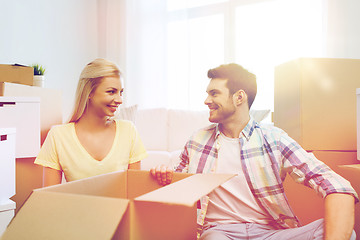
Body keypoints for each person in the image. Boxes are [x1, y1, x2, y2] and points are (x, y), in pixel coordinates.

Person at [151, 63, 358, 240]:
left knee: (342, 231)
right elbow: (176, 187)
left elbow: (336, 185)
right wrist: (163, 175)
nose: (206, 100)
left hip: (269, 234)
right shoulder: (197, 140)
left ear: (239, 97)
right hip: (220, 233)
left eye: (214, 93)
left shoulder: (273, 138)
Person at [35, 58, 147, 186]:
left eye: (121, 92)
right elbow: (50, 198)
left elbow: (134, 190)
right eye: (111, 92)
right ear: (89, 92)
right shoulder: (58, 136)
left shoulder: (129, 131)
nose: (120, 100)